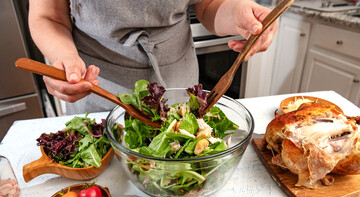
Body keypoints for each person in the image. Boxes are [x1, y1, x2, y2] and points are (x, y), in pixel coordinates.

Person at [29, 0, 278, 115]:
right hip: (97, 84)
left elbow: (209, 4)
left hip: (177, 78)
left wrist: (237, 12)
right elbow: (48, 15)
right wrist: (63, 57)